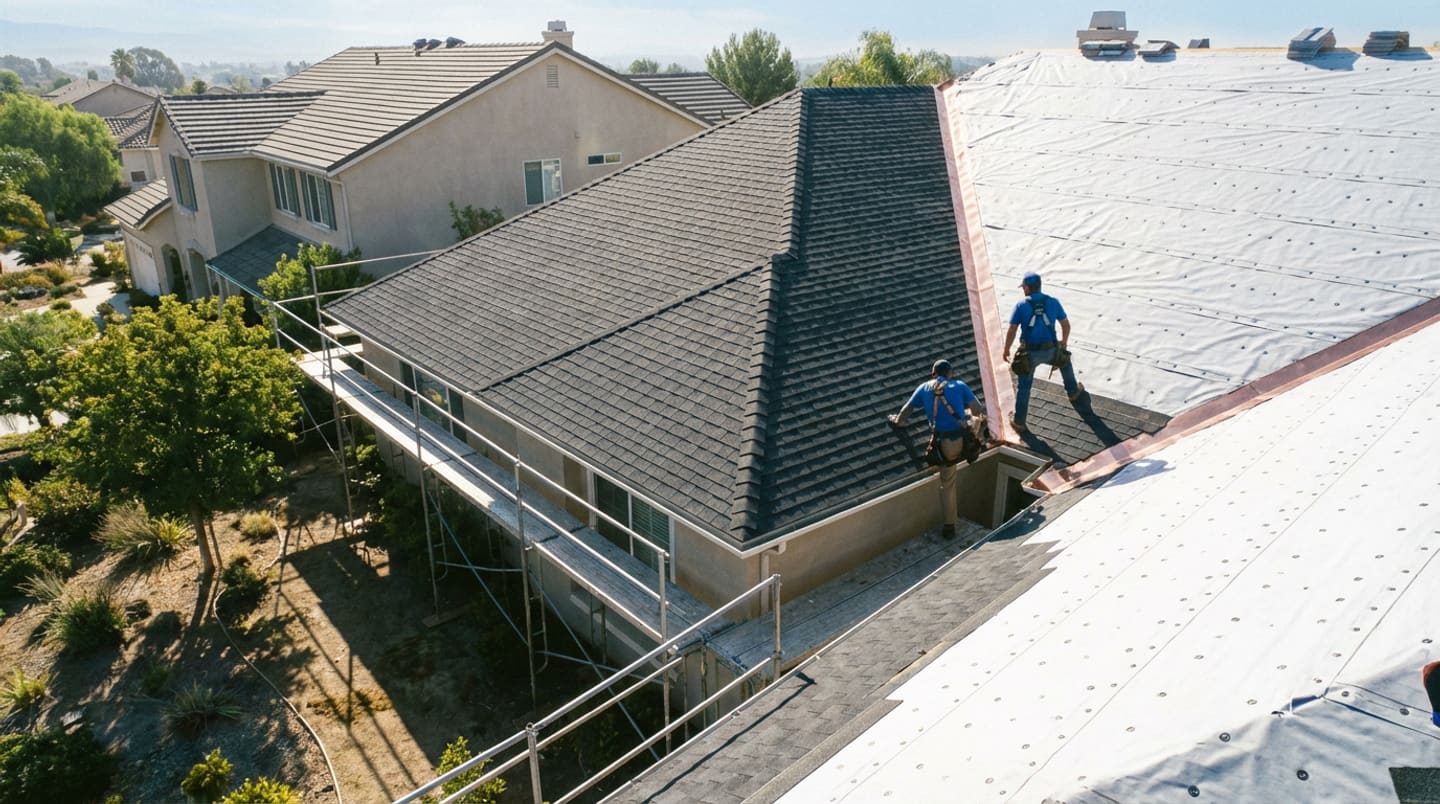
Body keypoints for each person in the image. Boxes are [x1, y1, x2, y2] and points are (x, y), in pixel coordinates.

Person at [888, 359, 985, 539]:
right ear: (951, 373)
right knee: (972, 418)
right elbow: (978, 410)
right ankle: (976, 449)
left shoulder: (924, 388)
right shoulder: (960, 386)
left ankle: (949, 526)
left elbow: (907, 410)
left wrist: (896, 421)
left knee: (947, 483)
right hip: (963, 442)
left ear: (934, 374)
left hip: (943, 446)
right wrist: (978, 430)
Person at [1002, 271, 1084, 433]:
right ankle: (1073, 392)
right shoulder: (1053, 302)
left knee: (1024, 387)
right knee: (1065, 362)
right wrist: (1064, 344)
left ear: (1026, 287)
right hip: (1051, 349)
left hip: (1029, 354)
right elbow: (1066, 325)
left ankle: (1019, 422)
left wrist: (1006, 349)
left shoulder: (1021, 306)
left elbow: (1012, 329)